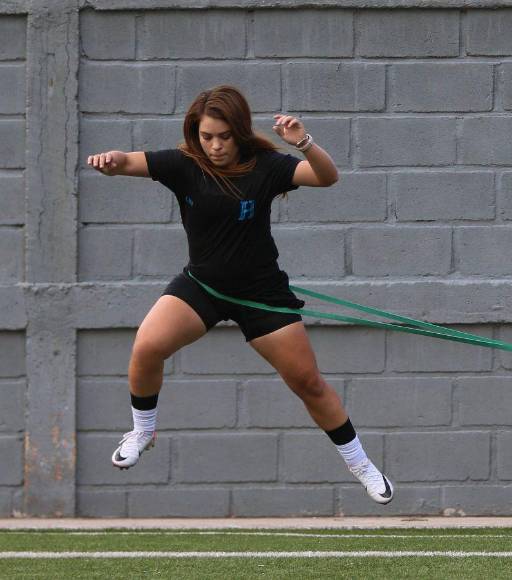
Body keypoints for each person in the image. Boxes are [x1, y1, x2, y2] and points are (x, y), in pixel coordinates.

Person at [86, 85, 393, 505]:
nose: (215, 146)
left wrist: (303, 142)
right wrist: (110, 162)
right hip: (203, 287)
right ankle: (142, 431)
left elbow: (326, 176)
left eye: (224, 137)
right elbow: (126, 161)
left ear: (240, 132)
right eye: (207, 136)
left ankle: (361, 464)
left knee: (308, 383)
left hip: (261, 295)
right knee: (146, 347)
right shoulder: (183, 164)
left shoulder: (266, 166)